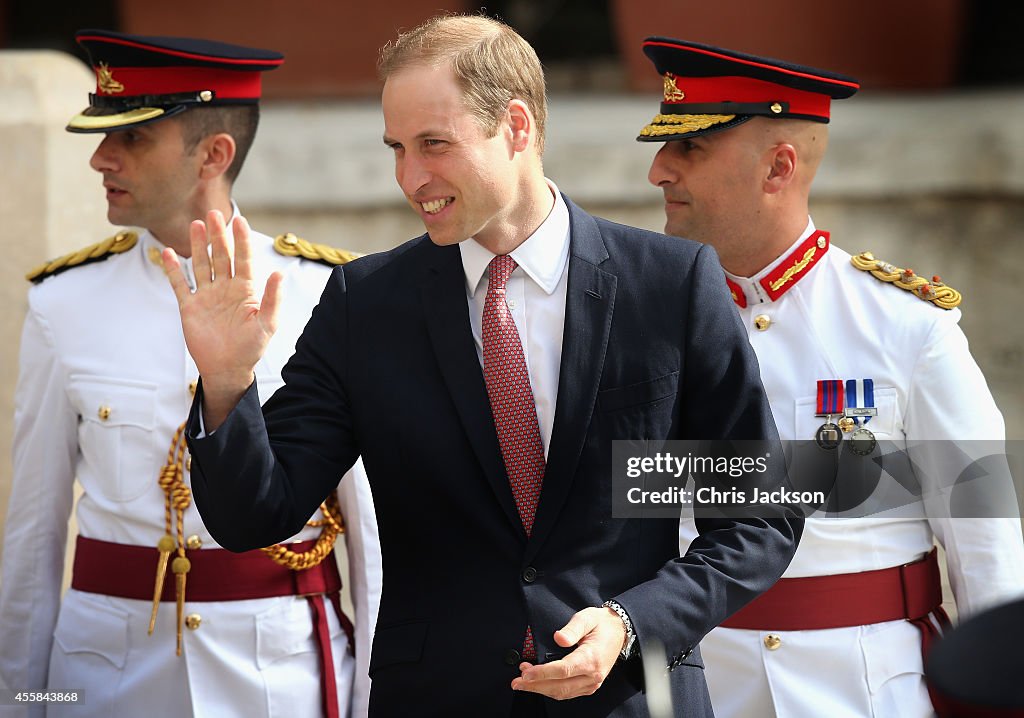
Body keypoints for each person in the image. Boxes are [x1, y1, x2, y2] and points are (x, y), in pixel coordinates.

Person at [162, 14, 803, 718]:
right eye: (397, 148)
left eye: (434, 144)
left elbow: (756, 520)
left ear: (517, 126)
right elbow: (257, 513)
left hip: (631, 699)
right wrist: (227, 385)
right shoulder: (364, 305)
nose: (411, 177)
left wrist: (630, 623)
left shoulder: (671, 285)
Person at [638, 37, 1024, 717]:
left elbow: (985, 539)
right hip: (701, 689)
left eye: (689, 149)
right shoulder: (644, 327)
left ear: (777, 168)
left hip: (866, 691)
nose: (658, 171)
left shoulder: (906, 327)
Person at [0, 30, 381, 718]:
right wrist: (19, 700)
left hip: (279, 677)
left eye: (133, 139)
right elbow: (34, 533)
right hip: (104, 681)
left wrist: (377, 702)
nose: (99, 157)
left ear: (214, 153)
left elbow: (376, 536)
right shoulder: (64, 301)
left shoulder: (330, 292)